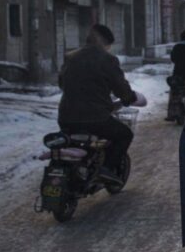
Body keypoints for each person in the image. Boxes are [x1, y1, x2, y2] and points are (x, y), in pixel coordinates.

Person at [57, 24, 147, 185]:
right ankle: (106, 168)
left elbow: (62, 84)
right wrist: (129, 98)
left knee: (71, 140)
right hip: (95, 118)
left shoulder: (70, 56)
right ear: (105, 43)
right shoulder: (107, 59)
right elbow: (120, 87)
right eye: (108, 46)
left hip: (66, 117)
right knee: (124, 134)